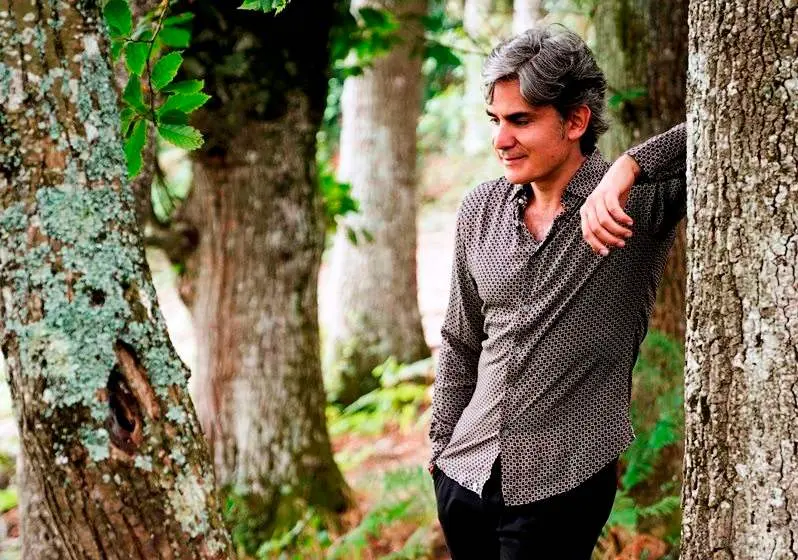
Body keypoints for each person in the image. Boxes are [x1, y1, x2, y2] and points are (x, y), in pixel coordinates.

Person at [428, 24, 686, 560]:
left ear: (575, 120)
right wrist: (440, 449)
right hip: (465, 474)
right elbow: (459, 340)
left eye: (521, 120)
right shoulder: (479, 210)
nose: (501, 139)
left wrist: (627, 168)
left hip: (563, 480)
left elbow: (729, 120)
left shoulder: (637, 206)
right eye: (496, 121)